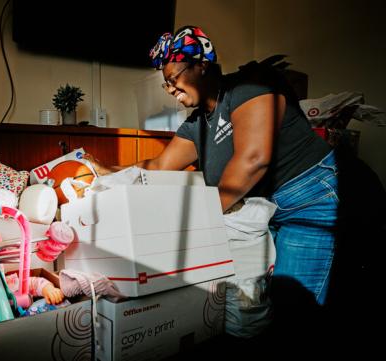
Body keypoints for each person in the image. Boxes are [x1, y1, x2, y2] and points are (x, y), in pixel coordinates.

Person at [85, 25, 373, 341]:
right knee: (262, 307)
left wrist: (195, 225)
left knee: (294, 306)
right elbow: (158, 166)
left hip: (310, 197)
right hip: (268, 208)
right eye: (165, 83)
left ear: (201, 64)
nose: (169, 89)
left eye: (173, 79)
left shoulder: (250, 86)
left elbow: (253, 159)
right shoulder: (196, 124)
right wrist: (105, 170)